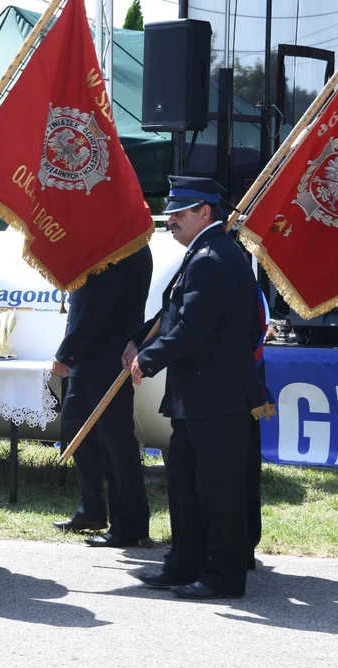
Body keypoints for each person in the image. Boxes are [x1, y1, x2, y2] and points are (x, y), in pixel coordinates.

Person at [126, 176, 270, 600]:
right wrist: (139, 339)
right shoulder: (204, 253)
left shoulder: (212, 256)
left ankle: (223, 574)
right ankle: (185, 562)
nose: (170, 219)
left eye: (179, 212)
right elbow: (173, 313)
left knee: (219, 488)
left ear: (204, 212)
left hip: (218, 396)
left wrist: (148, 359)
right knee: (185, 483)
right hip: (200, 394)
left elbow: (194, 328)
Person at [51, 245, 152, 548]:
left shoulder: (122, 247)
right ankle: (91, 509)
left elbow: (97, 305)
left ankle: (129, 522)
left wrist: (67, 352)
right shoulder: (106, 241)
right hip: (88, 356)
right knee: (75, 429)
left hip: (109, 356)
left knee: (115, 439)